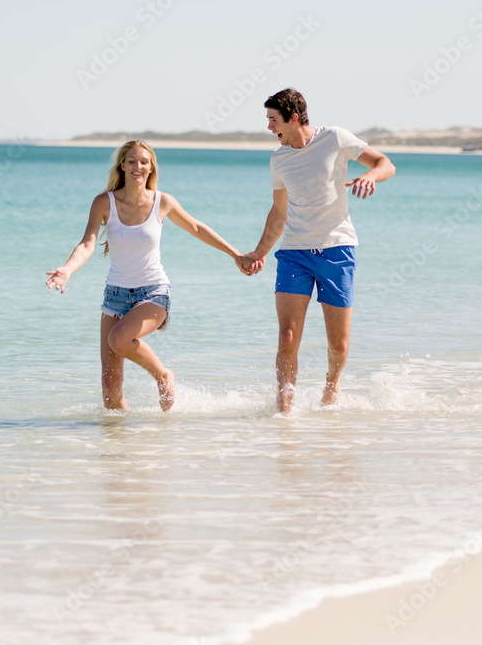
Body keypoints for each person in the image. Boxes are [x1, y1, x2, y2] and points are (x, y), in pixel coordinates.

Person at [46, 140, 242, 412]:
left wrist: (236, 255)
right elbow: (88, 242)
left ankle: (163, 375)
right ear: (122, 166)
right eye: (132, 161)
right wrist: (67, 269)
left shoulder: (163, 201)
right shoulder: (104, 202)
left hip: (153, 293)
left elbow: (196, 228)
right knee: (110, 390)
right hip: (114, 295)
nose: (138, 166)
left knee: (118, 340)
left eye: (144, 162)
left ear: (151, 168)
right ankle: (124, 447)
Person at [236, 88, 396, 412]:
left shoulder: (334, 138)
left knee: (338, 344)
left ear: (294, 118)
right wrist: (260, 251)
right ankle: (285, 408)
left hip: (337, 249)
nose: (269, 128)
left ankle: (332, 389)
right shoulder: (279, 159)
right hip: (294, 251)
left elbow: (384, 163)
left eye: (273, 121)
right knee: (287, 338)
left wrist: (370, 176)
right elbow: (279, 212)